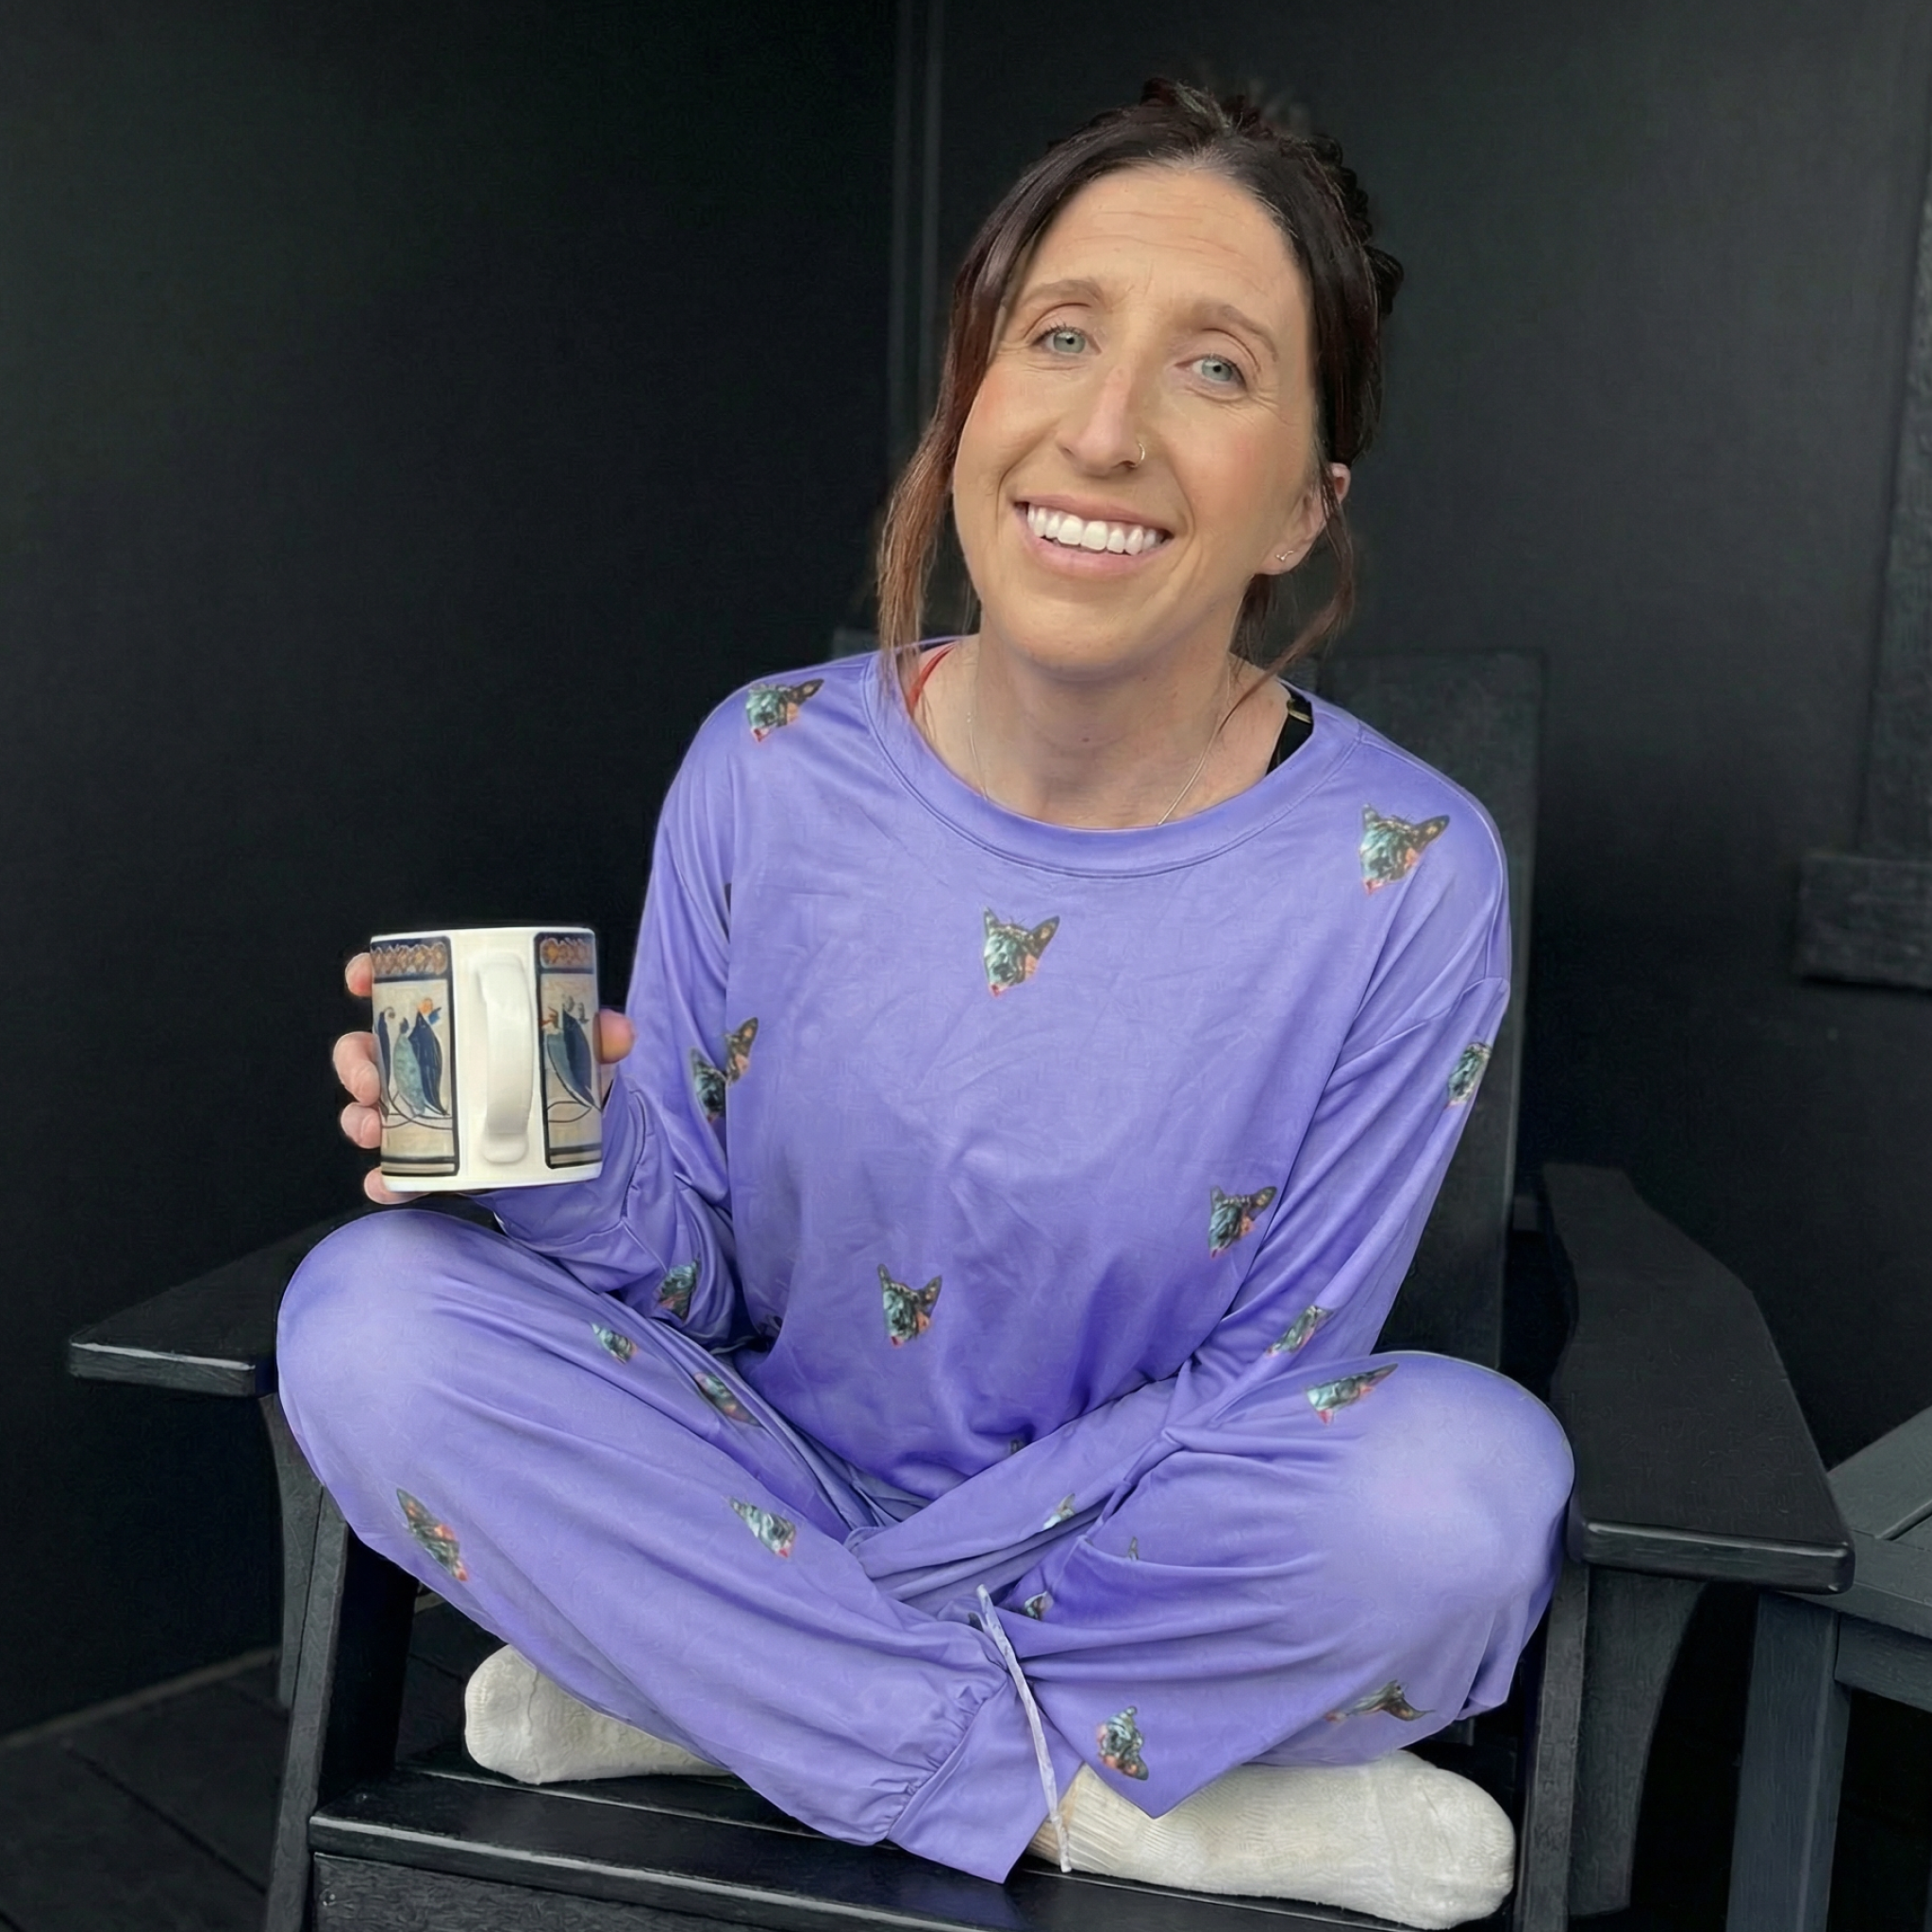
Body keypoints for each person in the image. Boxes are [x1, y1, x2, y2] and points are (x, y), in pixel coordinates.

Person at [279, 79, 1572, 1931]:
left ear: (1303, 499)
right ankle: (1087, 1799)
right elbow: (699, 1283)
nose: (1106, 427)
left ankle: (709, 1701)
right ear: (973, 397)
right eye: (1057, 336)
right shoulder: (762, 763)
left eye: (1212, 369)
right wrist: (555, 1169)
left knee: (1465, 1493)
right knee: (367, 1318)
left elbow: (1265, 1384)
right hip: (763, 1469)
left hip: (1115, 1540)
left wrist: (781, 1602)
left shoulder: (1404, 868)